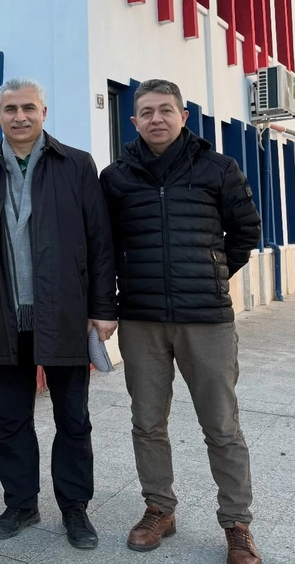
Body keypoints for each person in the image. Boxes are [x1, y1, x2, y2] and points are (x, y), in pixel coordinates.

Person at [100, 79, 263, 564]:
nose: (157, 119)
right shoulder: (116, 177)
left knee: (222, 425)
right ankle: (159, 509)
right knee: (148, 422)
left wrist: (211, 274)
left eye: (166, 110)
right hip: (141, 318)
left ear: (183, 115)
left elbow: (246, 230)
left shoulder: (218, 168)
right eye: (147, 112)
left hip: (206, 320)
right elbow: (103, 245)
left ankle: (236, 523)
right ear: (134, 121)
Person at [0, 77, 117, 550]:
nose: (20, 116)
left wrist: (103, 307)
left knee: (73, 419)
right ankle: (21, 504)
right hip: (4, 316)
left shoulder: (76, 165)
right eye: (11, 109)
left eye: (29, 108)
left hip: (65, 314)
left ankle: (75, 508)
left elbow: (100, 241)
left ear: (44, 112)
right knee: (12, 420)